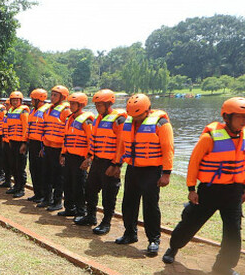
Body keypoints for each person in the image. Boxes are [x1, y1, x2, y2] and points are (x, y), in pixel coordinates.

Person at [163, 97, 245, 275]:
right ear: (228, 117)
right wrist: (191, 188)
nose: (244, 121)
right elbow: (194, 162)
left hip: (234, 190)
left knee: (233, 230)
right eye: (240, 117)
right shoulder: (210, 137)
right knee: (191, 222)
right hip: (210, 189)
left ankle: (224, 265)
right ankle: (173, 248)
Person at [109, 94, 174, 256]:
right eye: (132, 116)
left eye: (138, 116)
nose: (135, 119)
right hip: (133, 169)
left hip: (152, 170)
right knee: (129, 203)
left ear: (147, 111)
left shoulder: (161, 124)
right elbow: (122, 146)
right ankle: (130, 233)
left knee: (150, 206)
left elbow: (168, 150)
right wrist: (117, 164)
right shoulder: (128, 123)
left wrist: (166, 174)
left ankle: (154, 239)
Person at [79, 89, 126, 235]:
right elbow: (94, 141)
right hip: (97, 161)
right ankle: (91, 216)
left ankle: (106, 222)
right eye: (96, 105)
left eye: (100, 105)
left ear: (108, 104)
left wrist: (116, 164)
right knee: (90, 189)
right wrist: (89, 158)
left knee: (109, 194)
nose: (98, 108)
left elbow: (121, 144)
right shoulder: (98, 119)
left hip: (110, 163)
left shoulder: (118, 119)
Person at [58, 92, 95, 218]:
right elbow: (66, 138)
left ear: (81, 105)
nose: (71, 106)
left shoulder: (87, 120)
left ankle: (80, 211)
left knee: (79, 185)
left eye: (74, 104)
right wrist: (63, 154)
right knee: (67, 183)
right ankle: (69, 208)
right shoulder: (69, 118)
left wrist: (89, 157)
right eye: (70, 103)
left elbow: (91, 139)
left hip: (80, 158)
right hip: (69, 156)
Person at [40, 85, 71, 211]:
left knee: (59, 176)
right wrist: (42, 147)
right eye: (51, 94)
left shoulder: (66, 111)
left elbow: (67, 133)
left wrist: (63, 153)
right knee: (47, 174)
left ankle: (57, 201)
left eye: (55, 95)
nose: (52, 97)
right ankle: (47, 198)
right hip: (48, 147)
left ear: (62, 97)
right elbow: (45, 129)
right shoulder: (49, 109)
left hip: (58, 148)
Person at [0, 91, 29, 197]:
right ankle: (16, 186)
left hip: (20, 142)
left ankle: (21, 188)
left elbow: (26, 128)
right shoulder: (11, 111)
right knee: (14, 166)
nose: (15, 102)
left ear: (20, 101)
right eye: (13, 100)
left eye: (17, 100)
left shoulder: (23, 111)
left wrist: (24, 143)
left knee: (20, 167)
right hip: (12, 142)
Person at [25, 89, 50, 204]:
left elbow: (47, 129)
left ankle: (44, 195)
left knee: (42, 171)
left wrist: (44, 147)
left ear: (38, 100)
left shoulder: (46, 110)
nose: (31, 101)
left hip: (41, 144)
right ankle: (37, 193)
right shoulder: (32, 111)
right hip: (32, 143)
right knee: (33, 169)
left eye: (32, 99)